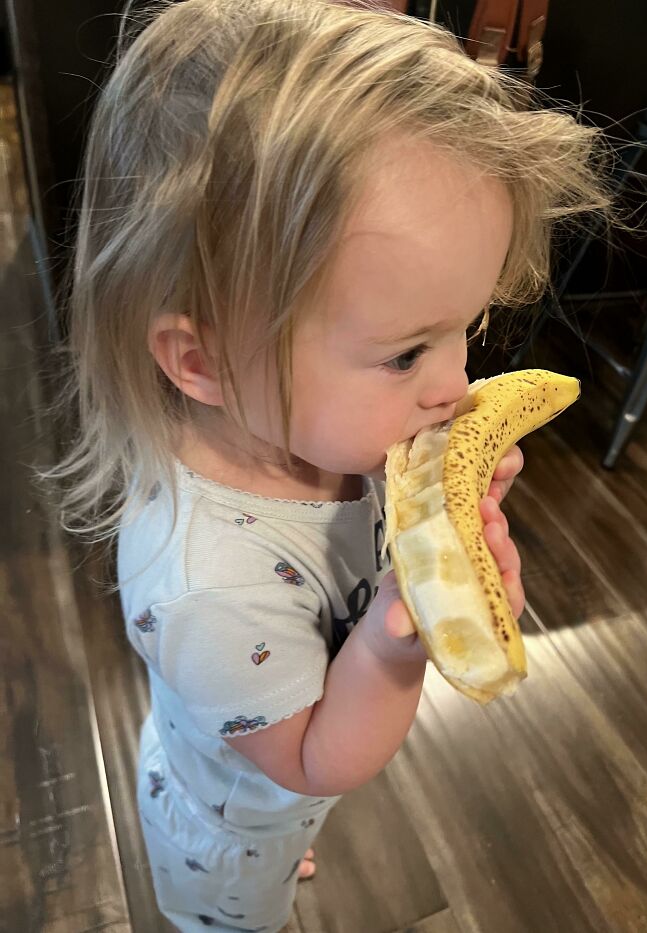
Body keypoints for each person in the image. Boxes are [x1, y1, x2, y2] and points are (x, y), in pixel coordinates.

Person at [40, 1, 610, 929]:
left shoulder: (328, 428)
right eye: (404, 353)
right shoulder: (207, 590)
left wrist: (442, 524)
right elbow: (314, 758)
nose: (457, 384)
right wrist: (398, 636)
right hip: (231, 828)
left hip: (266, 737)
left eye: (463, 331)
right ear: (206, 362)